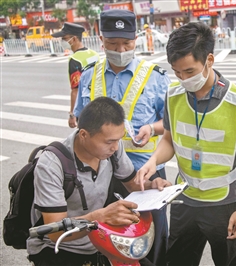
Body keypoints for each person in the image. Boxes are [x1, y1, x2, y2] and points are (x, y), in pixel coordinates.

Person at [137, 22, 236, 266]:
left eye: (190, 72)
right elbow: (169, 140)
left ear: (209, 60)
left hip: (223, 203)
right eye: (177, 72)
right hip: (184, 199)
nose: (183, 79)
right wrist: (153, 160)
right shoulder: (173, 95)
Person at [74, 9, 170, 266]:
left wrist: (152, 127)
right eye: (113, 43)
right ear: (101, 39)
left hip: (144, 173)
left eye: (126, 43)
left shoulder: (154, 76)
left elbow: (170, 124)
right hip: (99, 174)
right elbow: (78, 122)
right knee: (105, 240)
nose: (120, 49)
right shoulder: (89, 74)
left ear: (135, 39)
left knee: (149, 241)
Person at [27, 97, 171, 266]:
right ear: (83, 135)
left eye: (119, 139)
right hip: (59, 248)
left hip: (102, 241)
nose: (116, 147)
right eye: (109, 142)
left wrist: (151, 185)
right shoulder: (52, 164)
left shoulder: (112, 151)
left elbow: (131, 183)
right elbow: (56, 232)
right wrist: (99, 217)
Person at [51, 22, 100, 128]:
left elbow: (75, 90)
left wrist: (72, 115)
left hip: (85, 107)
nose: (62, 41)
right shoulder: (94, 54)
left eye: (64, 38)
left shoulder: (75, 59)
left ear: (73, 39)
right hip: (99, 102)